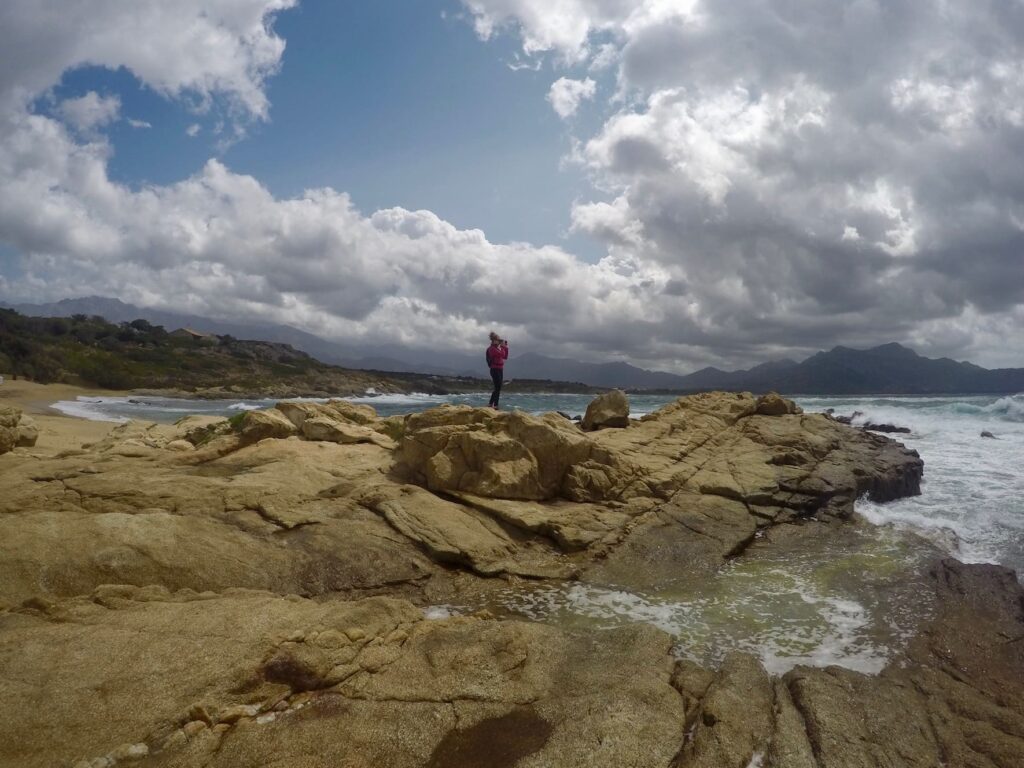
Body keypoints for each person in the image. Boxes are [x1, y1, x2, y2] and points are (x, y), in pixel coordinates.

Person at [485, 331, 509, 409]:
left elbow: (505, 357)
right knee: (498, 387)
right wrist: (503, 347)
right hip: (494, 369)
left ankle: (490, 404)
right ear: (494, 340)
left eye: (499, 340)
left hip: (500, 369)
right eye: (498, 340)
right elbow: (501, 354)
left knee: (498, 387)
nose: (499, 341)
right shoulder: (491, 349)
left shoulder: (499, 348)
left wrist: (505, 347)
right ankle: (495, 405)